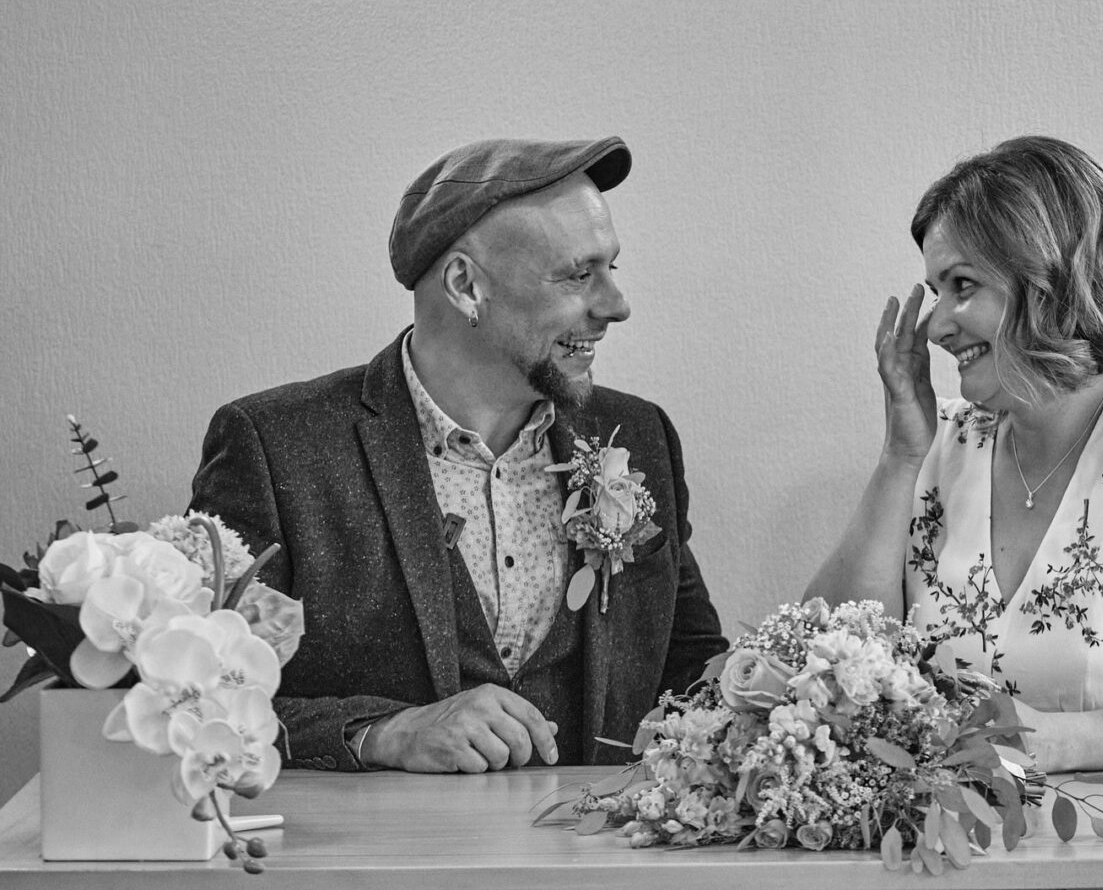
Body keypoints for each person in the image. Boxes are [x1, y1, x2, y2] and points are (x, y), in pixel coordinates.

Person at [190, 137, 727, 773]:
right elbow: (199, 699)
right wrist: (382, 733)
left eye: (612, 268)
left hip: (597, 865)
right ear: (465, 285)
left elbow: (695, 675)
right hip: (381, 869)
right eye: (579, 275)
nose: (615, 305)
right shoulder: (275, 446)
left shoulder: (637, 433)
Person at [806, 135, 1103, 773]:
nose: (935, 325)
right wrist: (902, 454)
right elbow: (819, 667)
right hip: (953, 857)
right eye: (936, 290)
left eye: (962, 285)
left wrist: (1052, 743)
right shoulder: (942, 445)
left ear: (1050, 280)